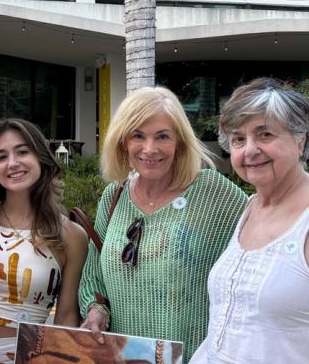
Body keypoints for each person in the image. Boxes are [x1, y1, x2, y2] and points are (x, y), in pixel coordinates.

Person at [78, 86, 247, 362]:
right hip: (123, 357)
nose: (149, 149)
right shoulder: (114, 196)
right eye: (138, 136)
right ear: (123, 142)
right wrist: (96, 310)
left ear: (179, 141)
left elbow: (261, 246)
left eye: (162, 136)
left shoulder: (212, 192)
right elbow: (94, 271)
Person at [191, 78, 309, 363]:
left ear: (300, 141)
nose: (250, 150)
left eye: (265, 134)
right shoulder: (250, 207)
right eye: (238, 139)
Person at [0, 118, 88, 364]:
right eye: (1, 156)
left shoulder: (71, 235)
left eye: (22, 152)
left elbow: (67, 317)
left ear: (41, 156)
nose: (13, 163)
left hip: (27, 358)